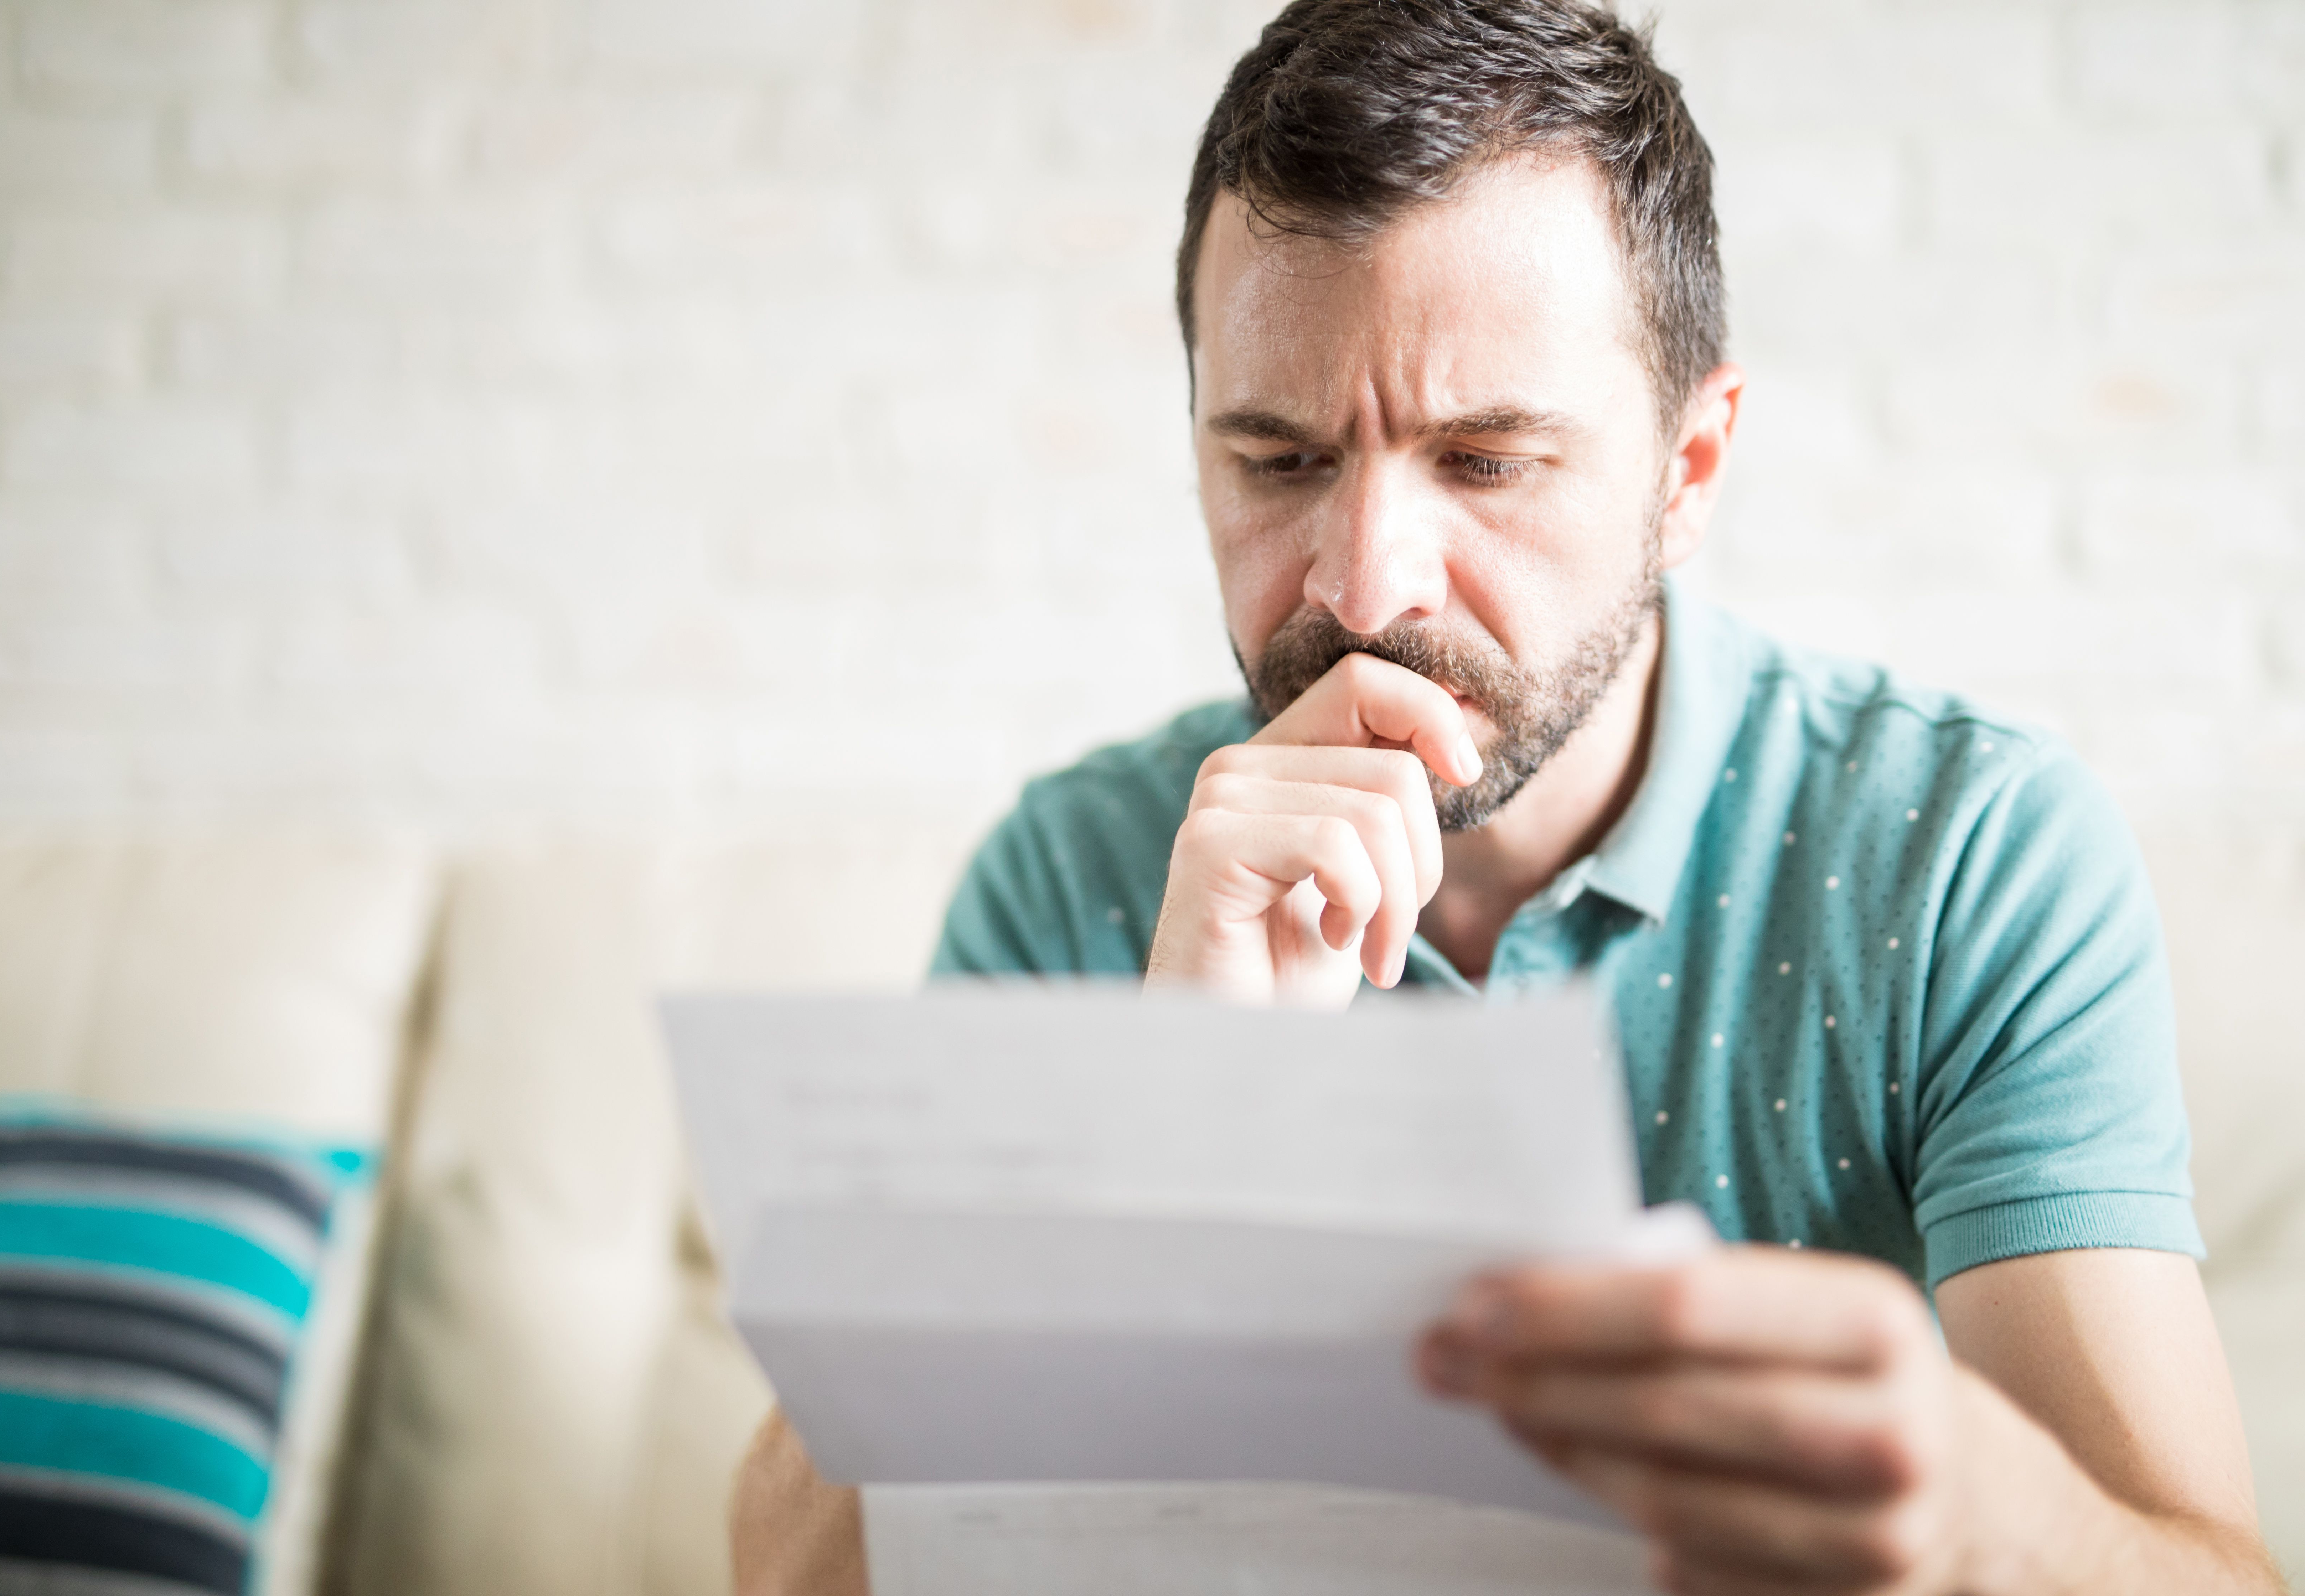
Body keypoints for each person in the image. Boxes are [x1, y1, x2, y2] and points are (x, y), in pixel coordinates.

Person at [733, 2, 2283, 1591]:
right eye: (1276, 460)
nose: (1360, 583)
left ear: (1686, 474)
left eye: (1485, 462)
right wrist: (1155, 1112)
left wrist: (1972, 1519)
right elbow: (790, 1575)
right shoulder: (1076, 869)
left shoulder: (1967, 857)